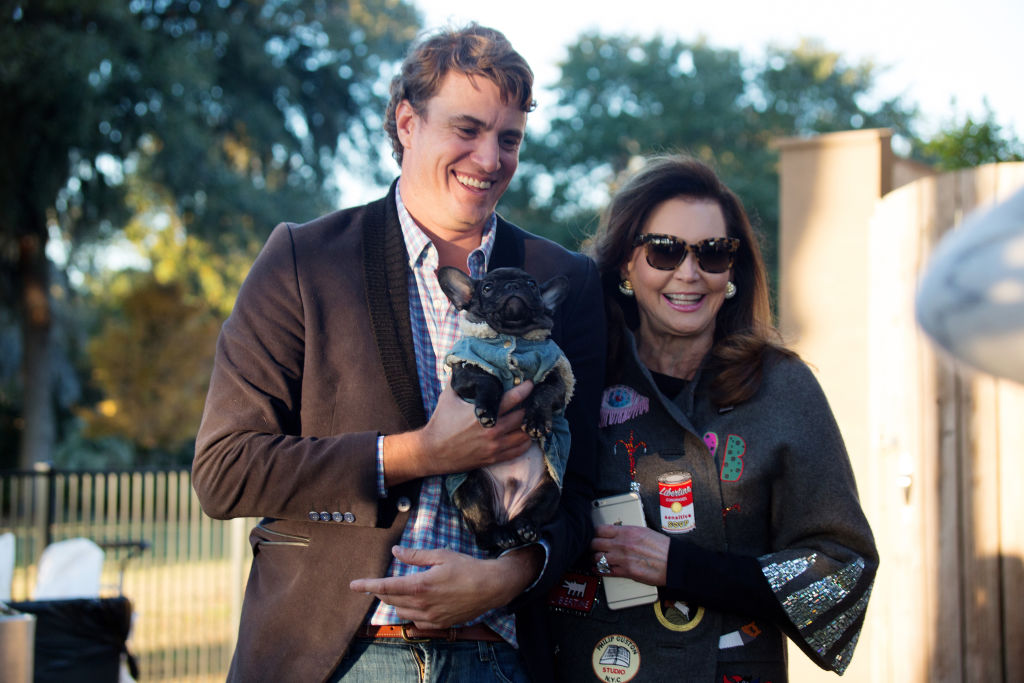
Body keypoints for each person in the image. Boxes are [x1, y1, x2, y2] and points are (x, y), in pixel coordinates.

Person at [192, 24, 605, 683]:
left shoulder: (566, 281)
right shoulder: (303, 260)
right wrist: (418, 454)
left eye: (509, 139)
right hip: (336, 657)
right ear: (408, 122)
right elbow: (224, 470)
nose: (489, 158)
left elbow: (581, 489)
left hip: (502, 656)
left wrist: (508, 574)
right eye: (467, 129)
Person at [546, 155, 877, 682]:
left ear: (733, 271)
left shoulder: (782, 387)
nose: (689, 273)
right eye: (664, 250)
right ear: (626, 265)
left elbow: (841, 568)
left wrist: (682, 568)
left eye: (713, 253)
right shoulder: (573, 378)